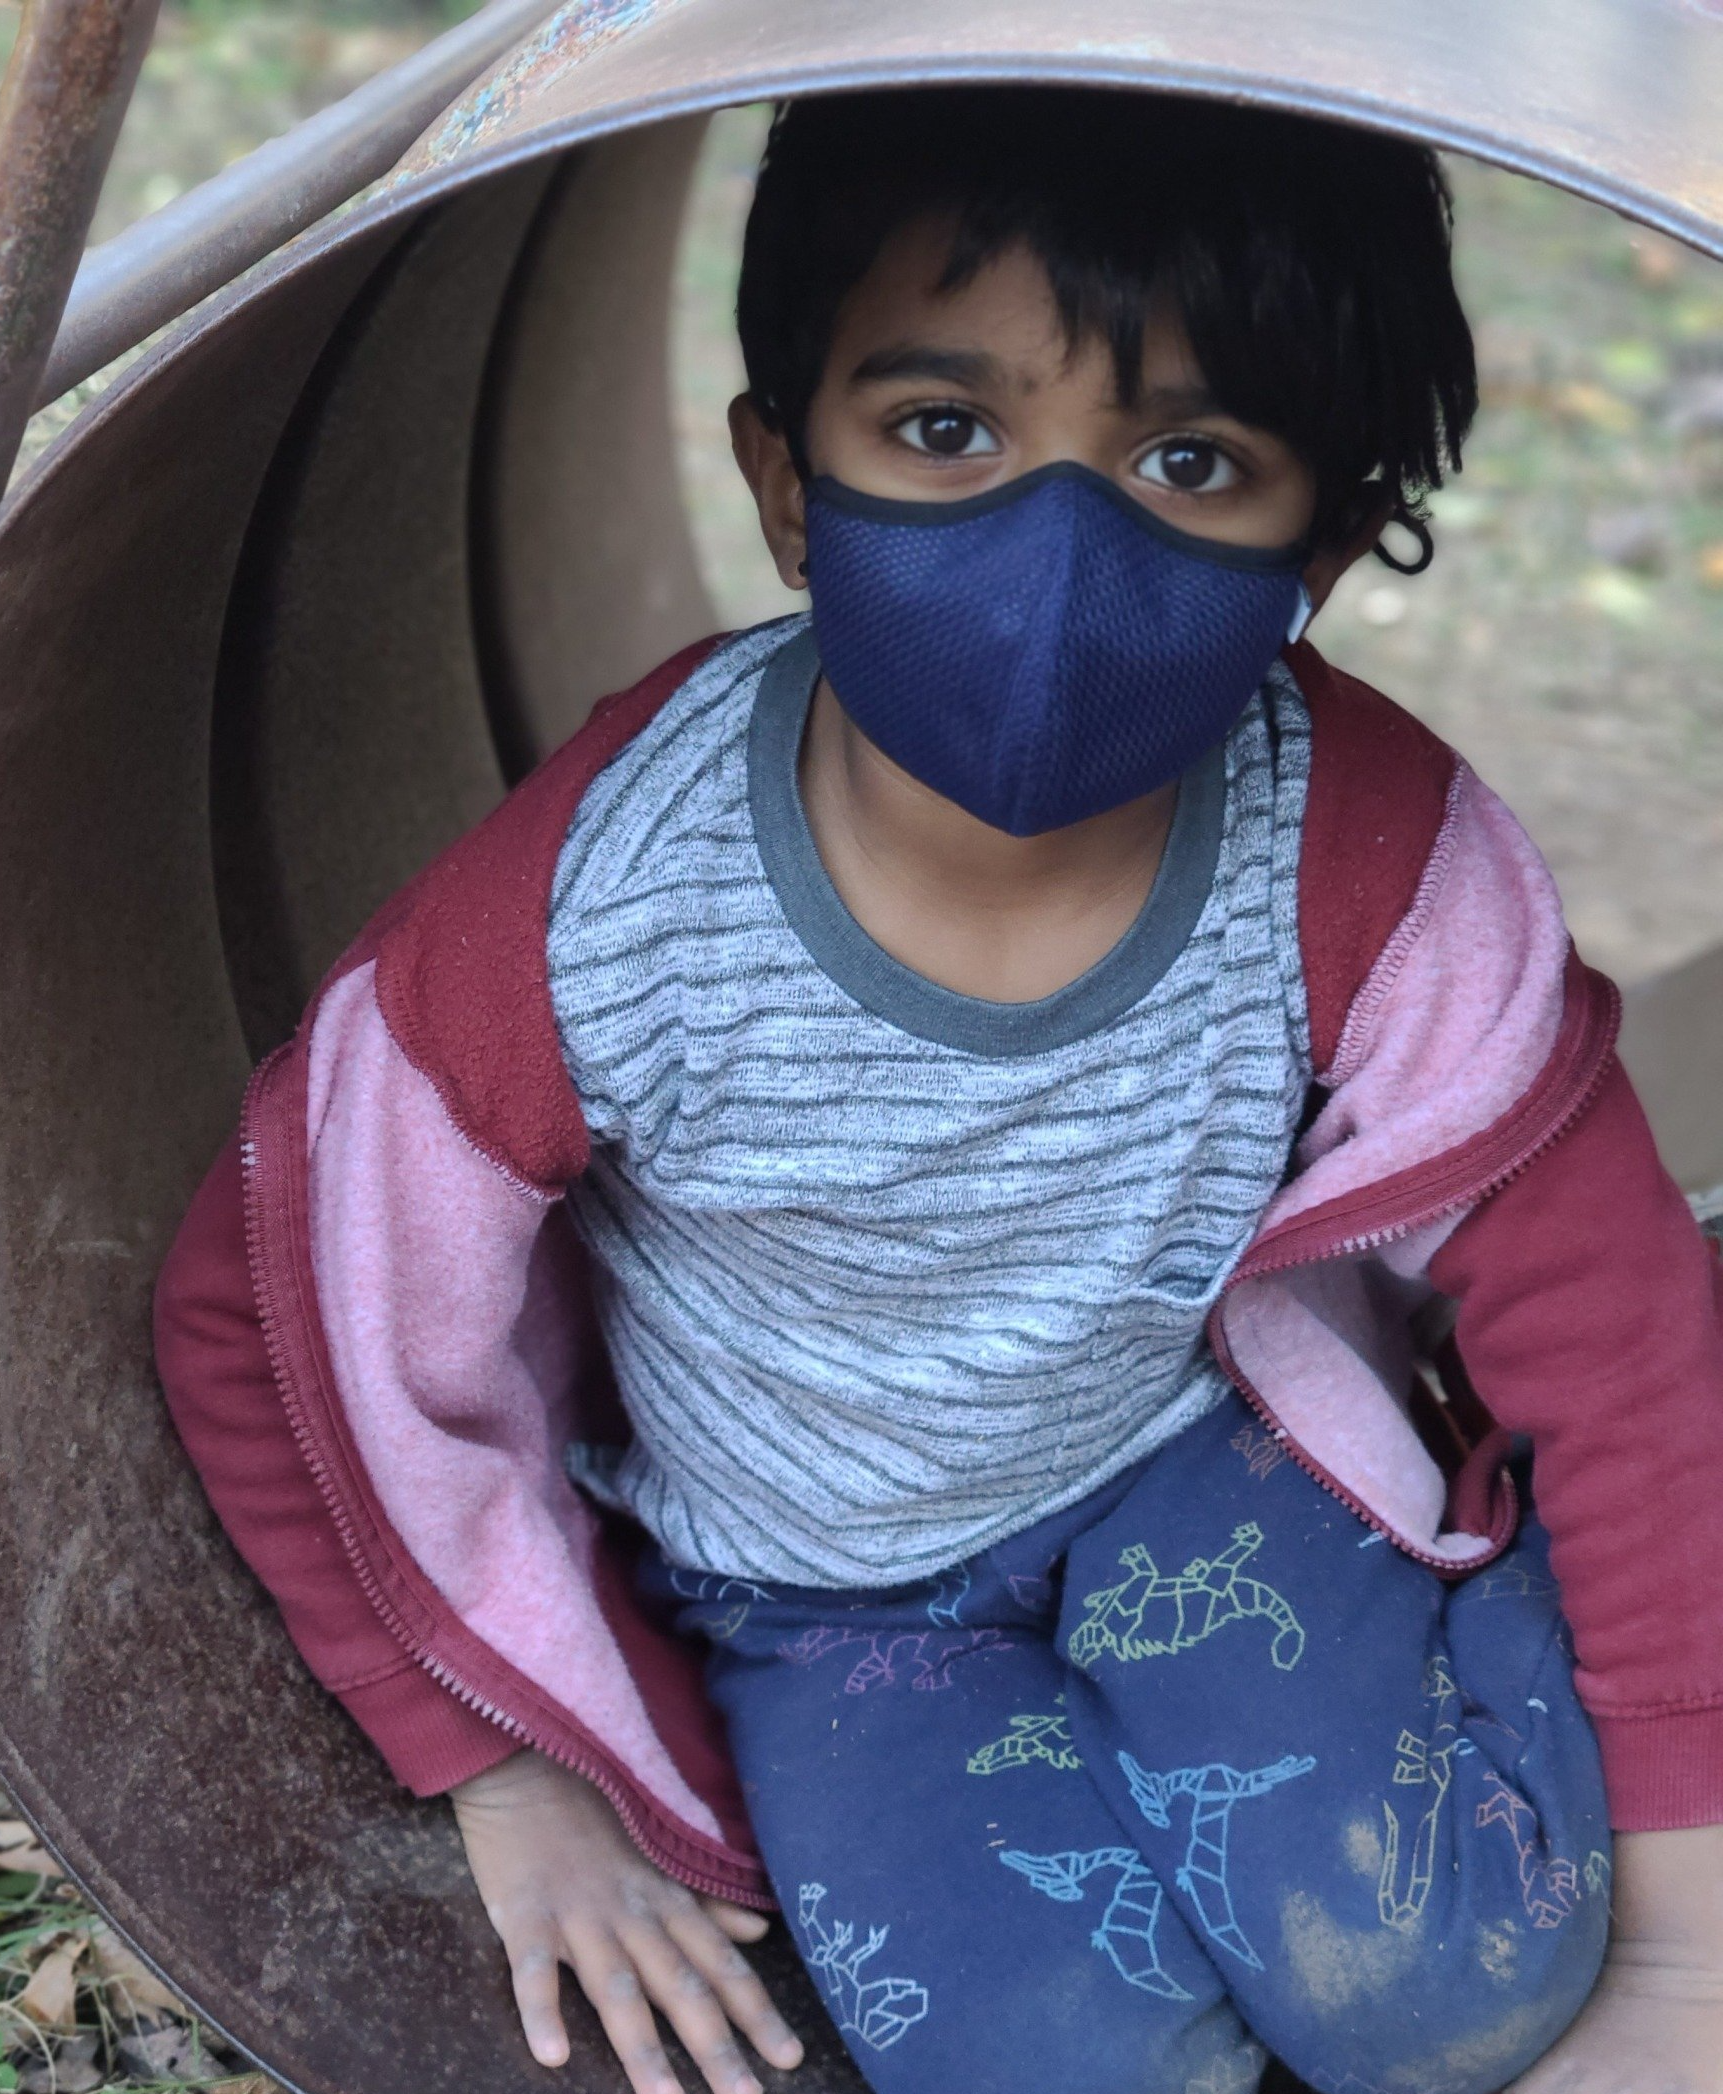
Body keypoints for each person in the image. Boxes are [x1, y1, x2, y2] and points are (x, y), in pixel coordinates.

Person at [154, 87, 1723, 2094]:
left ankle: (1505, 1638)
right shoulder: (598, 919)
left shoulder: (1364, 862)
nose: (1054, 552)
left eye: (1186, 459)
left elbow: (1617, 1327)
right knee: (1084, 2065)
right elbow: (267, 1307)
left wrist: (1688, 1968)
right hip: (812, 1606)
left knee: (1454, 1992)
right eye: (943, 431)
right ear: (787, 480)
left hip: (1202, 1469)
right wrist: (506, 1776)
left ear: (1316, 547)